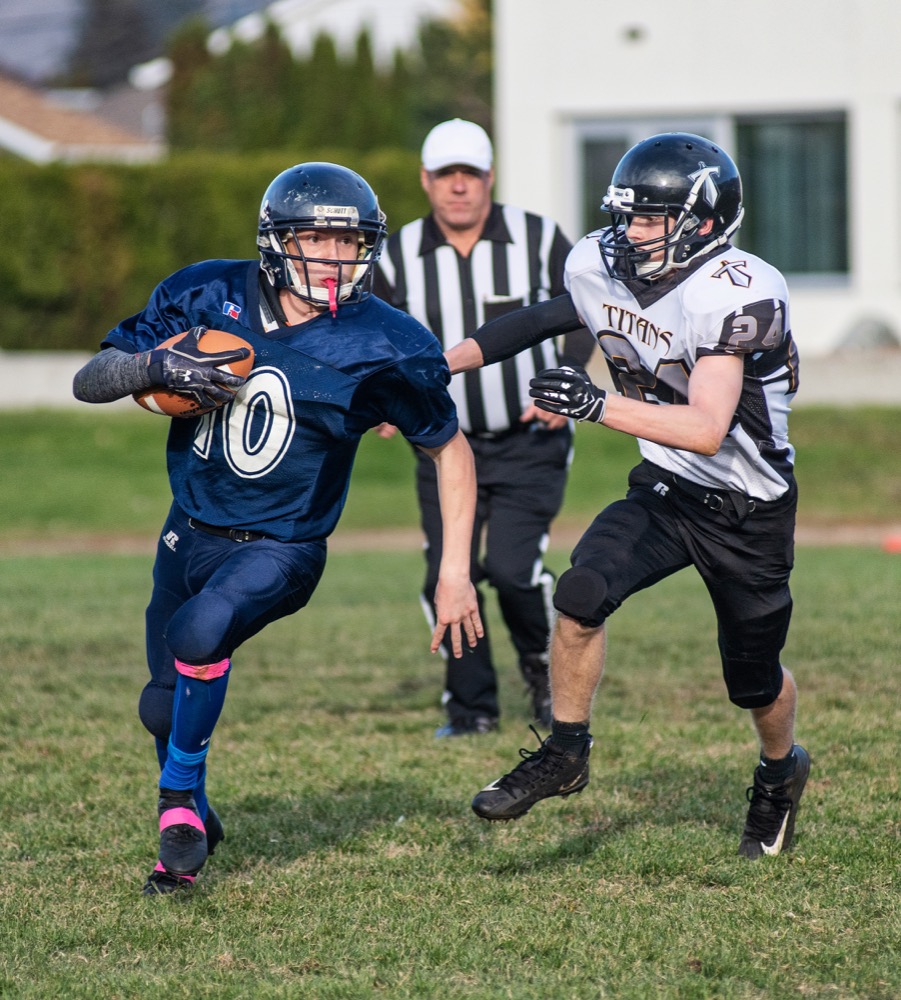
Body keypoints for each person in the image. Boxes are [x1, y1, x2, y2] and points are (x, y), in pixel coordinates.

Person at [73, 162, 483, 894]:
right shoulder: (207, 291)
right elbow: (92, 377)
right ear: (274, 241)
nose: (333, 258)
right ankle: (198, 806)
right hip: (188, 529)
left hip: (282, 545)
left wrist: (454, 572)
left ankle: (177, 809)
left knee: (201, 634)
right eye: (315, 239)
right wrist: (153, 365)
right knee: (158, 705)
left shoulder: (385, 342)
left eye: (348, 242)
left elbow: (448, 449)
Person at [445, 132, 810, 858]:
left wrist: (591, 404)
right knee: (579, 593)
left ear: (703, 221)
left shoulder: (737, 291)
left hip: (747, 506)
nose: (630, 233)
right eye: (626, 216)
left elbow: (706, 428)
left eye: (649, 219)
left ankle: (779, 773)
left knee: (752, 681)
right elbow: (548, 317)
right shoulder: (599, 263)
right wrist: (441, 362)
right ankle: (565, 750)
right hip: (668, 489)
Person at [373, 118, 594, 738]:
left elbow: (587, 311)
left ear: (489, 178)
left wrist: (566, 380)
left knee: (513, 568)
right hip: (445, 447)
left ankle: (544, 670)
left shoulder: (537, 237)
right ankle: (470, 707)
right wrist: (384, 399)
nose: (460, 188)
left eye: (470, 174)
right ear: (426, 181)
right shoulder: (396, 255)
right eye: (447, 175)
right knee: (447, 571)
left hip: (530, 440)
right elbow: (373, 334)